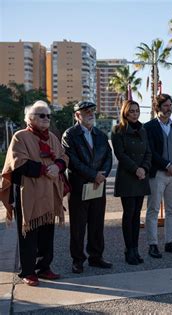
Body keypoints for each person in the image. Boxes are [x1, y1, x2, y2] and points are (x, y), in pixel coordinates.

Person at [0, 101, 67, 286]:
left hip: (49, 192)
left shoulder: (52, 137)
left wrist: (58, 166)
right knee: (28, 232)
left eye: (48, 115)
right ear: (30, 118)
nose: (46, 118)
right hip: (28, 192)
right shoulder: (20, 136)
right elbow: (18, 163)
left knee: (47, 232)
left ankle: (44, 267)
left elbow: (63, 156)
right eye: (42, 115)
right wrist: (46, 169)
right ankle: (28, 272)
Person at [62, 101, 113, 274]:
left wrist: (102, 174)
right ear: (77, 115)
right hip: (79, 186)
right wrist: (93, 175)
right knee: (78, 226)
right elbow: (72, 161)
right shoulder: (70, 135)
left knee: (97, 223)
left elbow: (108, 156)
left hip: (98, 185)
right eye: (85, 112)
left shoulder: (100, 134)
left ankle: (96, 257)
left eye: (92, 111)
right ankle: (78, 260)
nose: (90, 114)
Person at [144, 94, 172, 258]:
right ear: (158, 107)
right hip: (157, 174)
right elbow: (151, 151)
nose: (169, 108)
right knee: (153, 209)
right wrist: (167, 165)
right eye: (166, 105)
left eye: (170, 105)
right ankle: (153, 244)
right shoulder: (149, 127)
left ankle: (170, 242)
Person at [111, 100, 151, 265]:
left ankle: (135, 249)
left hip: (141, 177)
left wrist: (144, 168)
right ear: (125, 112)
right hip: (128, 177)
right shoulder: (117, 130)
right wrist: (136, 169)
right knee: (129, 214)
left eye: (137, 111)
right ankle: (129, 250)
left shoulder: (143, 130)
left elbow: (148, 152)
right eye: (131, 111)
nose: (135, 114)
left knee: (137, 215)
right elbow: (120, 154)